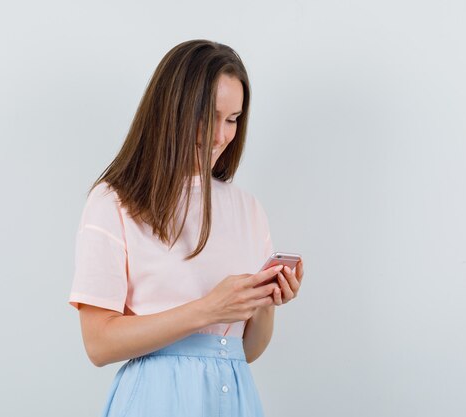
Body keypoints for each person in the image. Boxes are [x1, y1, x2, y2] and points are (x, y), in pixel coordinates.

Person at [68, 39, 305, 417]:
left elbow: (245, 351)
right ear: (171, 109)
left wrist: (265, 304)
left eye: (232, 120)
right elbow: (98, 344)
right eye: (209, 116)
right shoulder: (114, 201)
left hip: (235, 399)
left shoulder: (248, 209)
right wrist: (208, 309)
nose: (221, 136)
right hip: (155, 401)